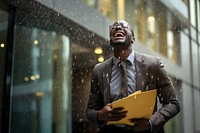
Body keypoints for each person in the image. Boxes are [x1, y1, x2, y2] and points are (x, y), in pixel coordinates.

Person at [86, 20, 180, 133]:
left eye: (123, 26)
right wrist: (101, 115)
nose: (118, 27)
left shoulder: (153, 65)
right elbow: (90, 111)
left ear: (133, 39)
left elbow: (173, 104)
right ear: (110, 41)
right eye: (114, 27)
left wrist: (150, 123)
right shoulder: (99, 70)